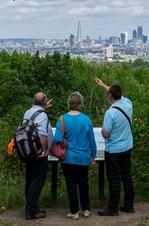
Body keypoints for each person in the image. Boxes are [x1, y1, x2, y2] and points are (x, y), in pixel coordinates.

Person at [94, 78, 135, 216]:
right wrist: (104, 86)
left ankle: (113, 208)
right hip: (127, 147)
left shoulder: (110, 113)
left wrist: (102, 132)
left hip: (113, 150)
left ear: (110, 95)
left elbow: (105, 134)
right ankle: (129, 205)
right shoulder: (128, 104)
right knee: (127, 177)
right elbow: (118, 95)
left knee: (114, 179)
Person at [53, 92, 97, 220]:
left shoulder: (62, 119)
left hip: (68, 157)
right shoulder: (86, 119)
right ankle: (86, 209)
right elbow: (92, 140)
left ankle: (74, 211)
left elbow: (56, 139)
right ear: (80, 104)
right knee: (84, 183)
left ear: (69, 103)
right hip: (83, 157)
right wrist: (92, 155)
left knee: (71, 184)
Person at [23, 92, 53, 220]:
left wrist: (43, 108)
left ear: (33, 101)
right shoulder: (42, 115)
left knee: (30, 179)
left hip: (28, 150)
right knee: (37, 181)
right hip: (37, 152)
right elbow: (41, 133)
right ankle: (31, 211)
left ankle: (31, 206)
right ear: (44, 103)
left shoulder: (28, 112)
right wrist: (43, 150)